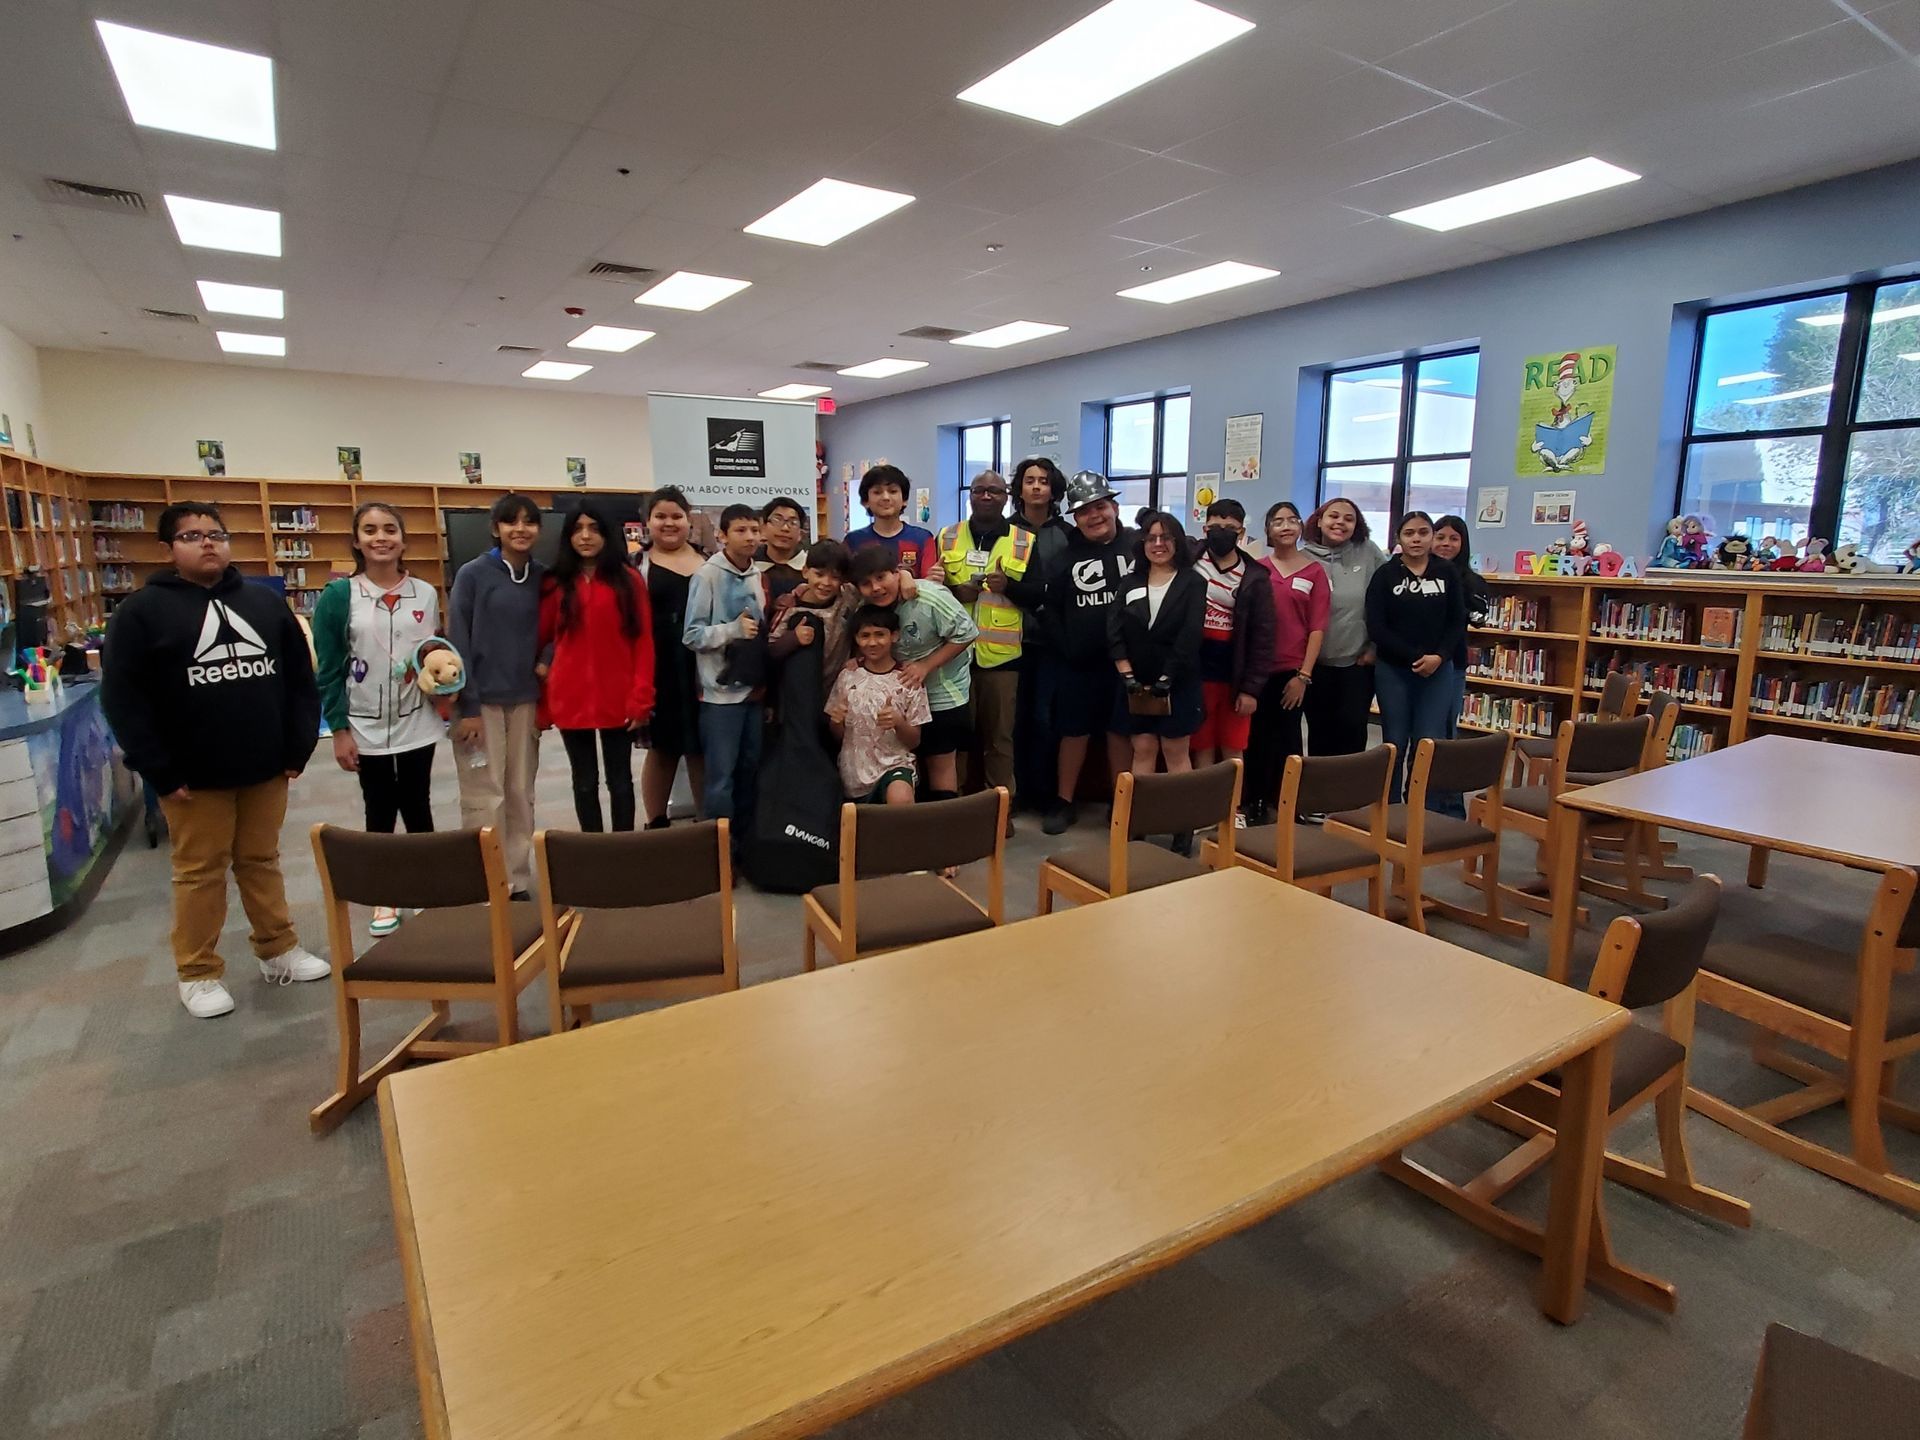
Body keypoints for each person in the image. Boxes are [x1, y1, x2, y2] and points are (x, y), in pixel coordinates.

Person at [102, 501, 328, 1017]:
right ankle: (198, 971)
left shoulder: (265, 604)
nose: (208, 543)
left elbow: (299, 680)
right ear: (168, 550)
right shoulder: (140, 613)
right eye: (192, 536)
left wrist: (298, 747)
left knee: (261, 861)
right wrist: (158, 768)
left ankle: (278, 949)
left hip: (266, 766)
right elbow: (124, 700)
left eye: (216, 534)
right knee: (199, 872)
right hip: (191, 777)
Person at [312, 502, 442, 937]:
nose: (380, 537)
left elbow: (433, 656)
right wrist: (339, 730)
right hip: (365, 723)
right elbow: (329, 667)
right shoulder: (339, 596)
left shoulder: (424, 593)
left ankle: (426, 889)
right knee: (379, 809)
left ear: (403, 540)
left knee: (419, 805)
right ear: (356, 541)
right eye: (370, 530)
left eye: (389, 529)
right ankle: (385, 895)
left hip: (417, 720)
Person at [448, 493, 545, 897]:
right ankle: (487, 879)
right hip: (480, 704)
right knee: (485, 794)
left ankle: (518, 877)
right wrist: (466, 706)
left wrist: (549, 658)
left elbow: (559, 628)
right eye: (510, 522)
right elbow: (457, 640)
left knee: (520, 792)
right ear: (495, 529)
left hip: (525, 699)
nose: (520, 529)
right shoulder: (472, 575)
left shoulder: (544, 576)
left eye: (528, 522)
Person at [538, 504, 655, 833]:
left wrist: (641, 697)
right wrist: (544, 698)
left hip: (618, 697)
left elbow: (643, 642)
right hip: (570, 697)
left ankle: (622, 849)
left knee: (620, 781)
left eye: (594, 528)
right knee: (584, 782)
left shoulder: (628, 580)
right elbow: (542, 642)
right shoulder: (554, 583)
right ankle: (589, 852)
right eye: (578, 529)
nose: (586, 536)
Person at [930, 470, 1034, 816]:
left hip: (1001, 659)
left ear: (1007, 497)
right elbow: (928, 591)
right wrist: (953, 592)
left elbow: (1040, 595)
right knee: (955, 739)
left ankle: (1000, 812)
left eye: (995, 490)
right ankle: (955, 811)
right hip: (951, 657)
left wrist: (1010, 587)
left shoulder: (1024, 540)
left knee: (999, 740)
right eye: (979, 490)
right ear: (970, 495)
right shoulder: (946, 536)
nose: (986, 496)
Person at [1038, 471, 1136, 835]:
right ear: (1075, 518)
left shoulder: (1139, 547)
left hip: (1128, 664)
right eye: (1083, 512)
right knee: (1073, 731)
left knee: (1120, 731)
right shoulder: (1064, 557)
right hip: (1078, 663)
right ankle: (1064, 801)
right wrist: (1067, 648)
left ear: (1114, 506)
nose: (1094, 517)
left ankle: (1121, 800)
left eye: (1100, 507)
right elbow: (1048, 610)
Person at [849, 546, 977, 802]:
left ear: (896, 573)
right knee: (904, 768)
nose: (875, 588)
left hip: (942, 695)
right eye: (866, 583)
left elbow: (967, 633)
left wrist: (926, 665)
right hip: (899, 699)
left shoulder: (929, 597)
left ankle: (942, 835)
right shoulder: (868, 607)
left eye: (881, 578)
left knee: (940, 766)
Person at [1366, 511, 1467, 805]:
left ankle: (1423, 806)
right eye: (1409, 533)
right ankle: (1390, 806)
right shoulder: (1385, 574)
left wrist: (1439, 656)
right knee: (1395, 741)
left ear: (1431, 537)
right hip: (1394, 670)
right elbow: (1377, 626)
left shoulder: (1446, 572)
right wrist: (1415, 656)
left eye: (1423, 532)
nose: (1417, 539)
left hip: (1438, 671)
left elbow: (1456, 621)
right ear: (1399, 538)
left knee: (1428, 742)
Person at [1189, 499, 1276, 819]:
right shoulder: (1191, 563)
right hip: (1197, 672)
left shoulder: (1256, 576)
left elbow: (1264, 636)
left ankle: (1232, 809)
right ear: (1204, 529)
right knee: (1201, 746)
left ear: (1241, 533)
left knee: (1233, 746)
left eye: (1229, 529)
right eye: (1215, 527)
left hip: (1235, 676)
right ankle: (1203, 810)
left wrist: (1252, 688)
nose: (1221, 533)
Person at [683, 503, 767, 833]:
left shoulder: (757, 573)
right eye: (740, 530)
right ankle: (720, 851)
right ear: (722, 535)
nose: (750, 537)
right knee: (720, 778)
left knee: (750, 770)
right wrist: (731, 630)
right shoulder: (707, 576)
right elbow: (691, 635)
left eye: (754, 530)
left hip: (754, 691)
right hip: (719, 697)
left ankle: (745, 845)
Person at [1108, 511, 1206, 786]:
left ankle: (1182, 823)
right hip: (1135, 682)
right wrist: (1126, 674)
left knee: (1175, 751)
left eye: (1166, 538)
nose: (1158, 544)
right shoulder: (1130, 582)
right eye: (1151, 538)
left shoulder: (1193, 582)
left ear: (1178, 542)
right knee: (1143, 748)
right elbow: (1114, 630)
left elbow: (1190, 633)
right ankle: (1140, 821)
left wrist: (1167, 678)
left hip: (1178, 681)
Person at [1245, 502, 1329, 822]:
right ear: (1267, 530)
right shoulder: (1257, 569)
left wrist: (1304, 676)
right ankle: (1254, 800)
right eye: (1277, 521)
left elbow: (1317, 627)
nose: (1285, 526)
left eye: (1291, 520)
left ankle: (1288, 802)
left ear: (1300, 527)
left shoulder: (1314, 572)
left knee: (1288, 738)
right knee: (1255, 738)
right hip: (1257, 669)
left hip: (1292, 670)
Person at [1004, 456, 1075, 812]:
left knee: (1045, 719)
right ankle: (1015, 793)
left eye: (1043, 481)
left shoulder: (1067, 535)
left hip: (1052, 642)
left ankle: (1046, 793)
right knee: (1014, 720)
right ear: (1019, 488)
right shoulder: (1004, 532)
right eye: (1029, 480)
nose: (1036, 486)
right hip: (1008, 641)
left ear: (1053, 489)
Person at [639, 486, 705, 828]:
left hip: (700, 667)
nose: (669, 523)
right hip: (658, 667)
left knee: (699, 748)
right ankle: (656, 822)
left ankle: (706, 824)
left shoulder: (709, 562)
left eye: (676, 516)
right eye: (661, 516)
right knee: (662, 748)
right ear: (648, 522)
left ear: (688, 521)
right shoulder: (638, 566)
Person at [1301, 496, 1387, 755]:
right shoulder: (1302, 558)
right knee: (1320, 732)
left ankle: (1349, 793)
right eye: (1334, 516)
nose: (1340, 523)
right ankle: (1319, 793)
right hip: (1314, 666)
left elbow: (1386, 601)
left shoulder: (1369, 552)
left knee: (1352, 730)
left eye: (1349, 519)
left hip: (1356, 664)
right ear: (1319, 521)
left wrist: (1374, 648)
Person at [826, 606, 932, 806]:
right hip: (854, 774)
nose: (872, 642)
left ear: (894, 636)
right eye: (865, 636)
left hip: (894, 766)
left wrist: (899, 722)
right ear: (856, 639)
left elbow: (915, 741)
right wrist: (836, 722)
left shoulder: (908, 680)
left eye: (879, 635)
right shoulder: (847, 676)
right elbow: (838, 735)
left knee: (900, 799)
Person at [1430, 513, 1491, 818]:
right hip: (1411, 664)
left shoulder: (1471, 580)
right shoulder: (1416, 575)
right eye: (1439, 537)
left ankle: (1448, 806)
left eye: (1453, 538)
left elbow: (1479, 618)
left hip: (1450, 664)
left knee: (1445, 734)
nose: (1445, 544)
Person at [768, 538, 856, 677]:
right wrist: (793, 638)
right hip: (804, 684)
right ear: (805, 571)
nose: (826, 583)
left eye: (834, 577)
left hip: (839, 681)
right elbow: (769, 651)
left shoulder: (847, 595)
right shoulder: (790, 609)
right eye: (819, 574)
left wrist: (903, 575)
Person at [844, 463, 934, 576]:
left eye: (893, 491)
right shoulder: (853, 541)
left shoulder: (923, 538)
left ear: (904, 500)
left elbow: (930, 584)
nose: (886, 497)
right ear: (865, 501)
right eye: (877, 492)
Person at [755, 495, 808, 603]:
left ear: (800, 534)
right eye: (777, 520)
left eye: (793, 523)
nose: (785, 528)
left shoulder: (811, 567)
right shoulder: (749, 564)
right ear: (763, 528)